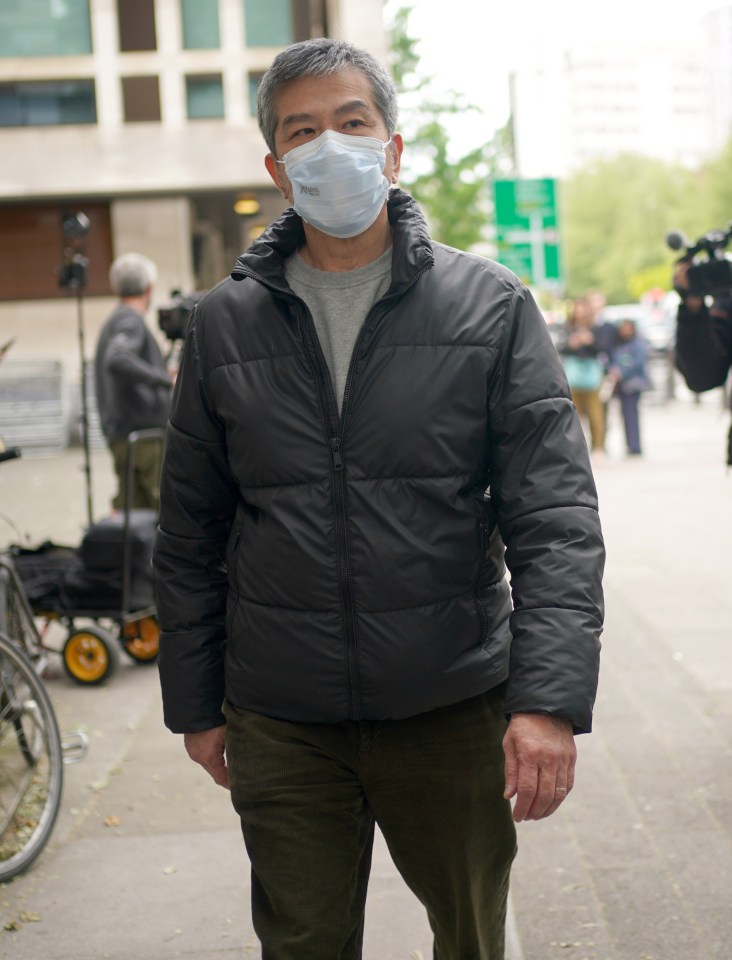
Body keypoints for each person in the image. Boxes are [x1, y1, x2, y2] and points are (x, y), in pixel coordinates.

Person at [153, 38, 604, 959]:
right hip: (282, 719)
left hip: (450, 704)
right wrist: (196, 703)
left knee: (472, 938)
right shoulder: (222, 325)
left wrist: (547, 699)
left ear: (392, 148)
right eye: (303, 131)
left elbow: (555, 522)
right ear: (278, 169)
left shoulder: (489, 305)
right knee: (302, 943)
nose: (331, 147)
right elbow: (190, 533)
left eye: (351, 122)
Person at [94, 253, 173, 511]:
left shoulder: (115, 320)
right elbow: (117, 358)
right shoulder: (129, 320)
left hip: (124, 434)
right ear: (149, 287)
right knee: (162, 511)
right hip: (144, 438)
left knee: (135, 515)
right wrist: (164, 379)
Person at [558, 296, 606, 456]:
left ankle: (598, 447)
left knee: (595, 413)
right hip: (573, 372)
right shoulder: (567, 328)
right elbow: (560, 348)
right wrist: (572, 343)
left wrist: (589, 342)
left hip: (591, 372)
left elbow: (603, 348)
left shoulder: (595, 328)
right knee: (574, 412)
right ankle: (576, 447)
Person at [606, 318, 649, 456]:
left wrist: (622, 372)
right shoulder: (617, 344)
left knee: (631, 415)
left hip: (633, 384)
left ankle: (634, 446)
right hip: (621, 385)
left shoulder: (637, 344)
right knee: (625, 415)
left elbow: (638, 362)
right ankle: (630, 445)